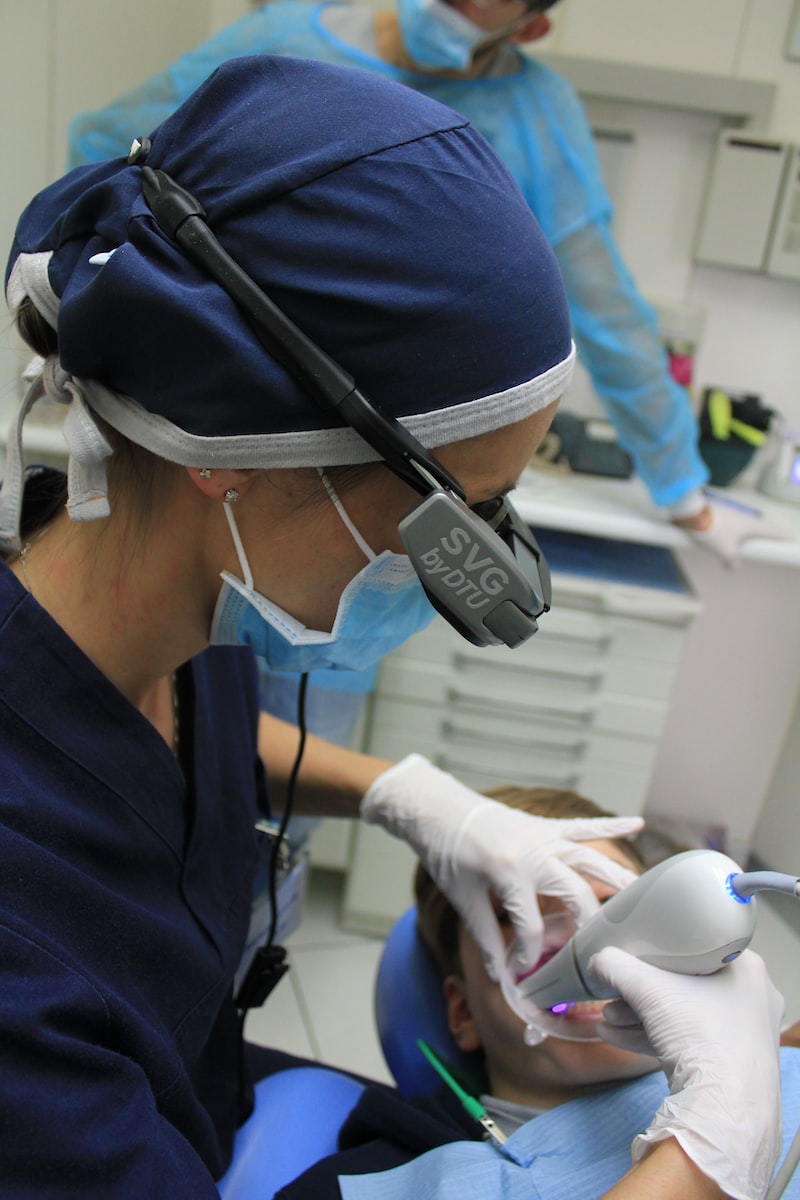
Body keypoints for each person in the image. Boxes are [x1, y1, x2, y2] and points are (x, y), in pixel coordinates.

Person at [3, 52, 727, 1196]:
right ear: (234, 456)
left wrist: (406, 795)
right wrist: (711, 1145)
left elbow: (157, 751)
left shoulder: (166, 622)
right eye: (455, 521)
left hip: (205, 1095)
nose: (465, 575)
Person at [275, 788, 793, 1200]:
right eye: (513, 917)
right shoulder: (391, 1174)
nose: (578, 934)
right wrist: (715, 1146)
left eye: (612, 904)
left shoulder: (768, 1056)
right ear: (463, 1013)